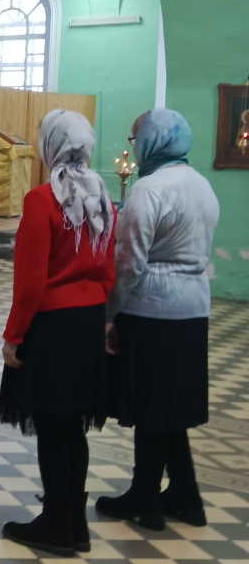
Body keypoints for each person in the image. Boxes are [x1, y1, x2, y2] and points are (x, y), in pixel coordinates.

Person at [0, 109, 116, 556]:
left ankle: (55, 526)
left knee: (51, 426)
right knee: (73, 428)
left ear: (51, 146)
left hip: (53, 327)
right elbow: (109, 269)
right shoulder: (102, 199)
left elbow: (30, 281)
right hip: (88, 323)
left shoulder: (42, 200)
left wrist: (14, 335)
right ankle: (74, 524)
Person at [98, 109, 219, 530]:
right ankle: (186, 496)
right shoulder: (200, 184)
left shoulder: (148, 190)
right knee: (170, 407)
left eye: (136, 139)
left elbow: (128, 263)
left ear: (152, 141)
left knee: (151, 405)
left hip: (152, 309)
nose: (134, 148)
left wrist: (109, 315)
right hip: (193, 310)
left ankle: (145, 499)